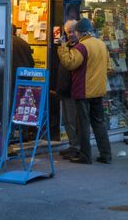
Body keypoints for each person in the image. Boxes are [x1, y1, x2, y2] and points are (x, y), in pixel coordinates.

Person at [57, 18, 112, 164]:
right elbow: (108, 67)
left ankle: (85, 156)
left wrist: (62, 48)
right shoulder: (101, 45)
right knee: (99, 123)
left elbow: (70, 63)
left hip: (83, 91)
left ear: (79, 32)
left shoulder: (82, 46)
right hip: (98, 91)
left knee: (83, 125)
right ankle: (106, 154)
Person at [55, 20, 79, 159]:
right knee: (67, 120)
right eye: (68, 32)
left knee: (72, 120)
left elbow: (70, 64)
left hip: (73, 89)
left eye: (72, 32)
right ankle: (72, 145)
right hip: (65, 88)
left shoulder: (79, 47)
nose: (70, 35)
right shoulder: (67, 46)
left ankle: (76, 147)